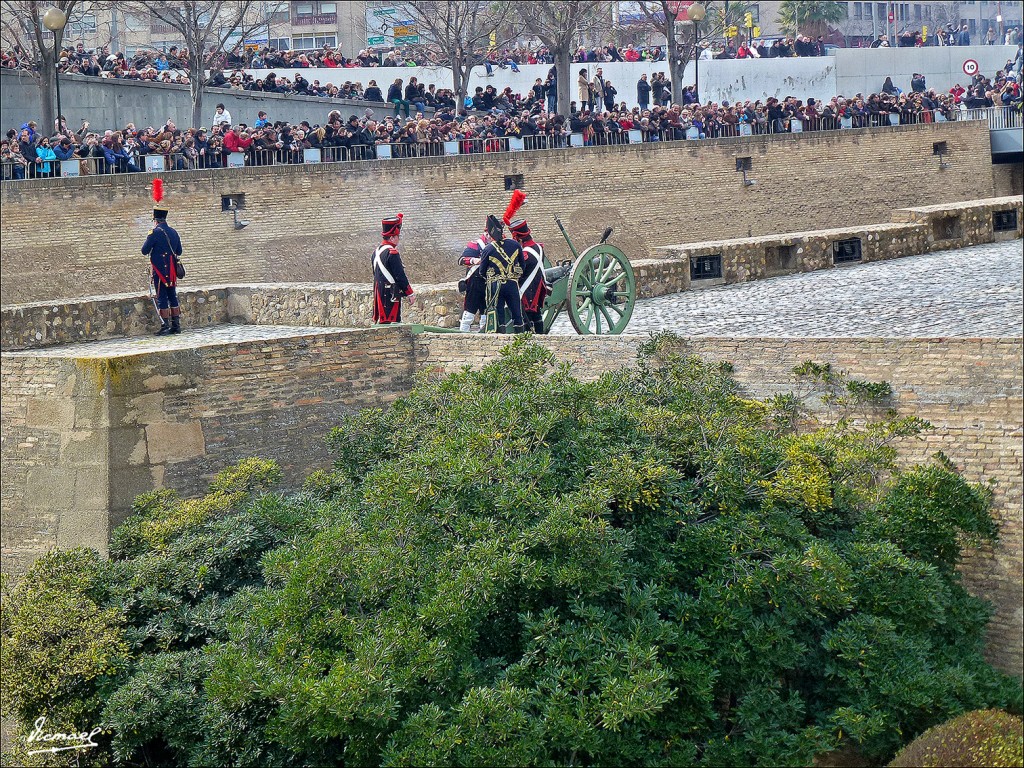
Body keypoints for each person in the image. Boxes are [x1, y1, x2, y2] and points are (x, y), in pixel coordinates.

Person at [141, 187, 184, 335]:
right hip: (171, 269)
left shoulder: (154, 233)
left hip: (160, 269)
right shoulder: (173, 232)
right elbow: (179, 251)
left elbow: (144, 250)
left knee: (162, 296)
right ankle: (176, 325)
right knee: (172, 294)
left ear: (155, 220)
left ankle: (165, 326)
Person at [372, 213, 415, 324]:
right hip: (390, 293)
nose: (398, 239)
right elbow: (399, 275)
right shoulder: (392, 252)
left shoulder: (375, 252)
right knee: (392, 323)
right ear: (391, 237)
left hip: (379, 293)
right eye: (397, 237)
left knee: (383, 322)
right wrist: (409, 293)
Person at [509, 217, 549, 334]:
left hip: (527, 290)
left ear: (517, 236)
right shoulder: (538, 248)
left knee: (527, 316)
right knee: (536, 315)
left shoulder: (525, 254)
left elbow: (518, 273)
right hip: (537, 287)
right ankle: (541, 338)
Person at [457, 229, 491, 332]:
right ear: (486, 233)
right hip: (475, 282)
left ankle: (485, 331)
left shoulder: (498, 244)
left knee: (486, 310)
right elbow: (461, 260)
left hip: (489, 282)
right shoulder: (475, 244)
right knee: (470, 309)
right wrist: (473, 260)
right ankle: (463, 333)